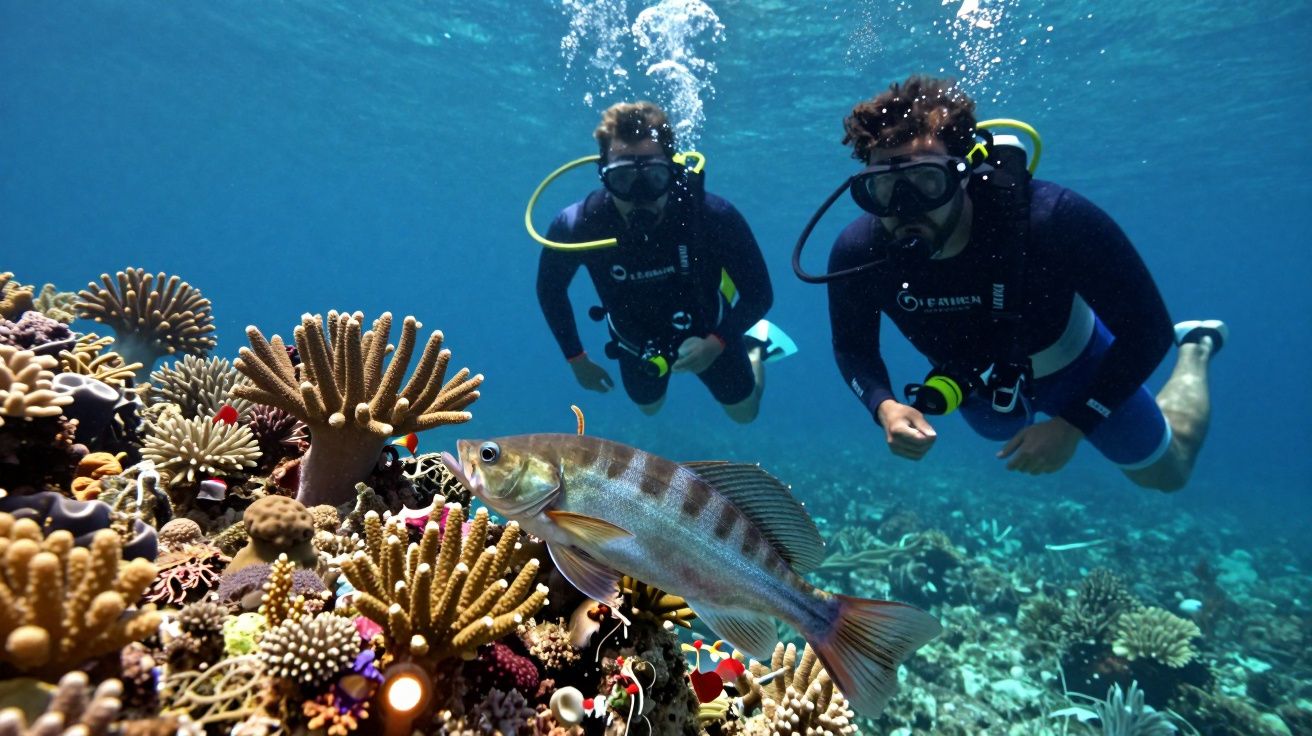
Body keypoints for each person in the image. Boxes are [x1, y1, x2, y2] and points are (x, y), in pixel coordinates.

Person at [824, 75, 1224, 491]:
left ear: (963, 174)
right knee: (995, 428)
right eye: (885, 186)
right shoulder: (859, 252)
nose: (905, 207)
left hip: (1079, 366)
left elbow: (1148, 330)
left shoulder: (1053, 220)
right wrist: (883, 405)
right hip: (975, 386)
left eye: (927, 181)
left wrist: (1073, 425)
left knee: (1167, 475)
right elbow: (852, 347)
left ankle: (1197, 346)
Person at [537, 101, 782, 423]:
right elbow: (550, 291)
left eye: (654, 177)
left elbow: (760, 294)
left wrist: (718, 341)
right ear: (603, 174)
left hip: (712, 329)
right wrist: (577, 358)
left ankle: (755, 349)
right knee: (648, 407)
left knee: (745, 414)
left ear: (672, 170)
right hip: (635, 340)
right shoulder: (578, 226)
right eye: (623, 179)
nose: (640, 195)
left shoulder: (712, 217)